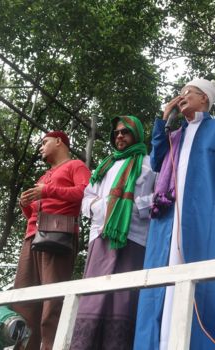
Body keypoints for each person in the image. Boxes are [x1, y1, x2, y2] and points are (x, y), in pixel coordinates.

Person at [134, 79, 215, 350]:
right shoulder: (174, 135)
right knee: (162, 285)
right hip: (167, 224)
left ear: (205, 100)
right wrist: (163, 120)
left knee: (207, 285)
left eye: (190, 92)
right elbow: (156, 160)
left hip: (204, 220)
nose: (182, 96)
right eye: (181, 93)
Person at [71, 115, 156, 349]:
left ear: (136, 135)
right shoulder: (104, 165)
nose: (119, 136)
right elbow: (87, 197)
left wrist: (133, 207)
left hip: (135, 239)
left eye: (125, 132)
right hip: (101, 236)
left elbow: (161, 195)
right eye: (117, 132)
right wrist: (103, 207)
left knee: (124, 298)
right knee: (93, 296)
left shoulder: (149, 164)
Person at [13, 131, 91, 350]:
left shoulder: (76, 165)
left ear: (59, 141)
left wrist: (47, 191)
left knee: (52, 301)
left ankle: (52, 347)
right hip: (32, 237)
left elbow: (86, 192)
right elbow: (33, 214)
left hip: (58, 234)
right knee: (24, 301)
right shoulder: (43, 176)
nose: (40, 147)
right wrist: (25, 204)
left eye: (44, 142)